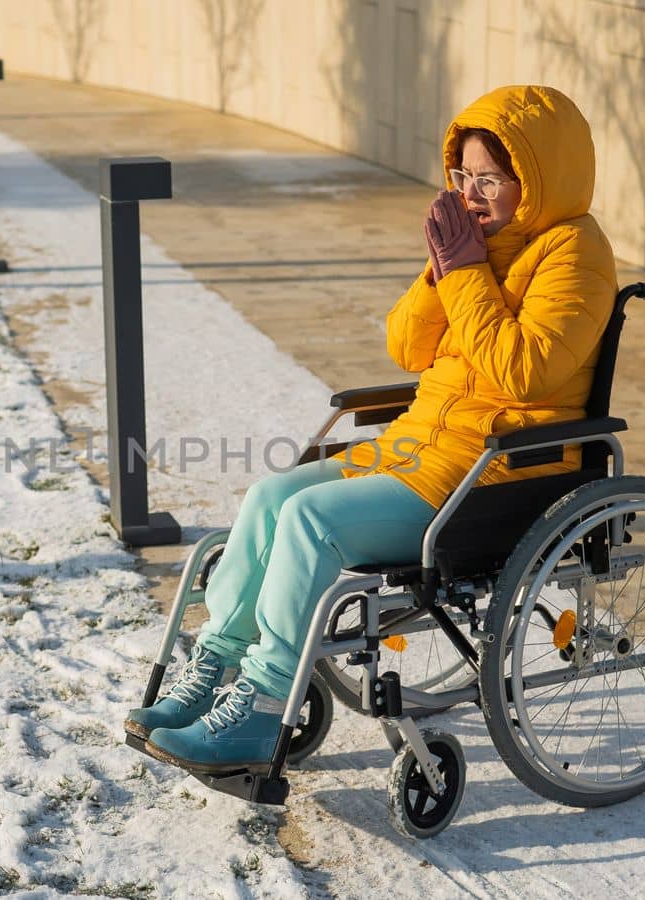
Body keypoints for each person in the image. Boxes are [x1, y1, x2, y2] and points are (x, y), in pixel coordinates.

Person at [126, 85, 619, 774]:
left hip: (495, 474)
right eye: (462, 177)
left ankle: (263, 707)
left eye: (490, 179)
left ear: (538, 179)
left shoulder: (576, 254)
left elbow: (525, 372)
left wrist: (468, 272)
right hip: (423, 450)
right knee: (273, 496)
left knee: (309, 521)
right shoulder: (483, 245)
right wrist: (443, 269)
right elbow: (407, 347)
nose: (472, 192)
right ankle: (213, 670)